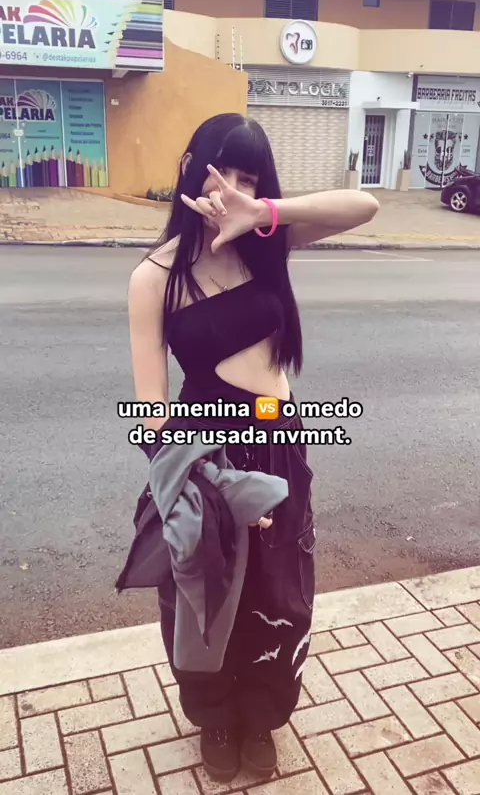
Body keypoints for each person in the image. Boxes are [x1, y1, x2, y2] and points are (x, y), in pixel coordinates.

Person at [128, 113, 379, 782]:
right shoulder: (155, 276)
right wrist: (206, 484)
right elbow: (151, 407)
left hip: (277, 438)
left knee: (279, 587)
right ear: (190, 168)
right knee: (206, 594)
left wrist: (263, 212)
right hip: (205, 454)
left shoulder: (268, 242)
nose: (231, 190)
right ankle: (214, 714)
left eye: (250, 177)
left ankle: (262, 714)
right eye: (222, 173)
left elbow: (365, 205)